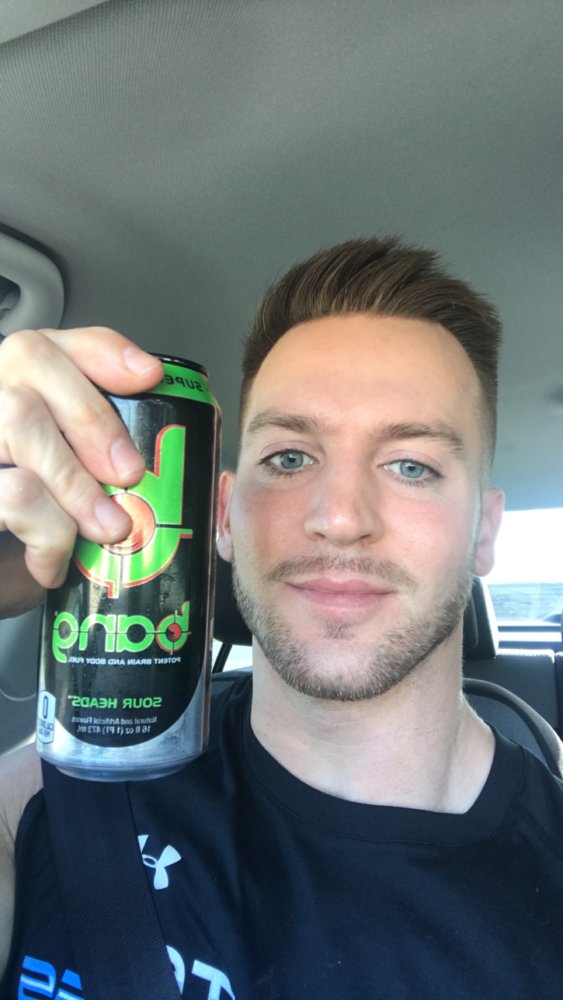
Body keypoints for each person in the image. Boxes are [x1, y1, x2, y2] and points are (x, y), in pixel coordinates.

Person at [1, 236, 562, 998]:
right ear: (223, 514)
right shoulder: (47, 795)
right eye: (290, 458)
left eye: (411, 466)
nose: (339, 518)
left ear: (484, 533)